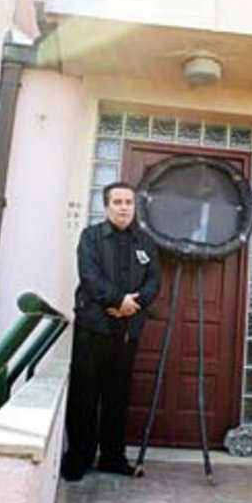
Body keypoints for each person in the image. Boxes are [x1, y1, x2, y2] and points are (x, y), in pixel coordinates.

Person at [61, 181, 161, 481]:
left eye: (128, 202)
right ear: (106, 206)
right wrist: (119, 300)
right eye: (117, 202)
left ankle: (112, 458)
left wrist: (133, 305)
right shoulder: (91, 237)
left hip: (128, 330)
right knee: (85, 395)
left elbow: (154, 281)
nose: (123, 207)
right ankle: (79, 457)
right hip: (93, 327)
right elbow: (89, 276)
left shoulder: (145, 242)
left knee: (118, 396)